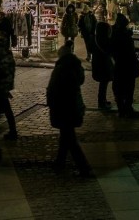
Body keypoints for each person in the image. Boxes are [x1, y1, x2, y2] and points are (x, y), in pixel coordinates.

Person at [46, 39, 92, 177]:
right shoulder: (75, 66)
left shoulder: (62, 69)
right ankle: (60, 162)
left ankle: (83, 167)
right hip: (72, 106)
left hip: (65, 107)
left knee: (70, 139)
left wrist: (51, 102)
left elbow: (54, 89)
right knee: (65, 137)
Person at [110, 12, 139, 118]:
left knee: (119, 89)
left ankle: (122, 110)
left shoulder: (114, 35)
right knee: (128, 89)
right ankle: (127, 109)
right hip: (128, 66)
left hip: (118, 66)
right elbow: (131, 54)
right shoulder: (126, 37)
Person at [90, 20, 114, 109]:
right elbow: (109, 50)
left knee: (103, 84)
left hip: (98, 64)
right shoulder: (104, 40)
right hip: (103, 65)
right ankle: (101, 102)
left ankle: (103, 100)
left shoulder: (96, 38)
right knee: (104, 84)